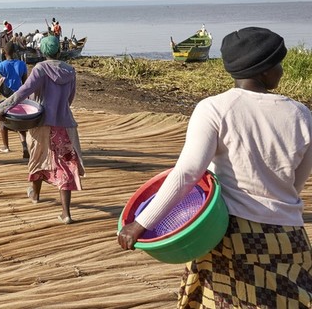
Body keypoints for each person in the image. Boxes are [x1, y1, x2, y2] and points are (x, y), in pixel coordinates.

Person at [118, 27, 312, 308]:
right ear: (263, 70)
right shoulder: (302, 114)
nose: (281, 71)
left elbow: (187, 174)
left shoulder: (215, 109)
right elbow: (296, 184)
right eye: (278, 64)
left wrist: (141, 223)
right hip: (287, 238)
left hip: (233, 235)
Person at [0, 35, 84, 224]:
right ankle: (66, 213)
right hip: (65, 125)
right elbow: (70, 98)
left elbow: (24, 92)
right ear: (59, 51)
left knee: (37, 159)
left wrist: (2, 107)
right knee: (66, 167)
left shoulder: (41, 69)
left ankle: (35, 195)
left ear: (42, 52)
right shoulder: (71, 71)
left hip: (42, 123)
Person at [0, 44, 29, 158]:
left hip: (6, 98)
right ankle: (24, 146)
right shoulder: (22, 64)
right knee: (21, 124)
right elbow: (25, 83)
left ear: (4, 53)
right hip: (19, 96)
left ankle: (6, 146)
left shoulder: (0, 66)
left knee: (3, 122)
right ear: (15, 52)